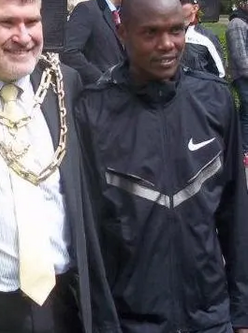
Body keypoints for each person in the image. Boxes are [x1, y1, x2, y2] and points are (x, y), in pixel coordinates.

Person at [0, 0, 120, 332]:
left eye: (32, 22)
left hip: (64, 304)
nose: (24, 37)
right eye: (8, 23)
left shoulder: (64, 84)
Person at [76, 0, 248, 331]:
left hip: (210, 318)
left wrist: (242, 312)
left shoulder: (215, 100)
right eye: (150, 33)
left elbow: (236, 213)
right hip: (133, 321)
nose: (167, 44)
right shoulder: (93, 113)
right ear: (122, 31)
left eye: (175, 30)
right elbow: (90, 239)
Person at [61, 0, 126, 85]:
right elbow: (70, 53)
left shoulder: (126, 15)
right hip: (97, 92)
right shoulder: (87, 9)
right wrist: (103, 80)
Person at [226, 0, 248, 167]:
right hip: (242, 76)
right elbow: (240, 56)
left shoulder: (244, 21)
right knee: (247, 113)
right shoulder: (237, 23)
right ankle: (243, 150)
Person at [180, 0, 226, 77]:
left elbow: (220, 74)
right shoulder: (164, 34)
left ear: (195, 8)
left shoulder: (207, 37)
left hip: (198, 87)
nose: (176, 5)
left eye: (181, 2)